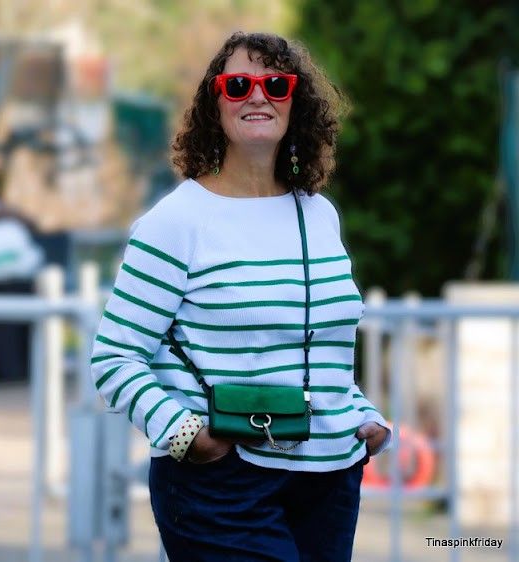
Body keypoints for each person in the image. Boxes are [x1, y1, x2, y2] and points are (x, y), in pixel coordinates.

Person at [90, 31, 391, 561]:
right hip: (223, 481)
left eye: (275, 84)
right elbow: (115, 356)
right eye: (237, 85)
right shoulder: (176, 221)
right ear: (216, 103)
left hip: (330, 478)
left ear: (296, 103)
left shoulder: (318, 214)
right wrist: (186, 435)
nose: (258, 96)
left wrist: (362, 415)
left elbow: (319, 345)